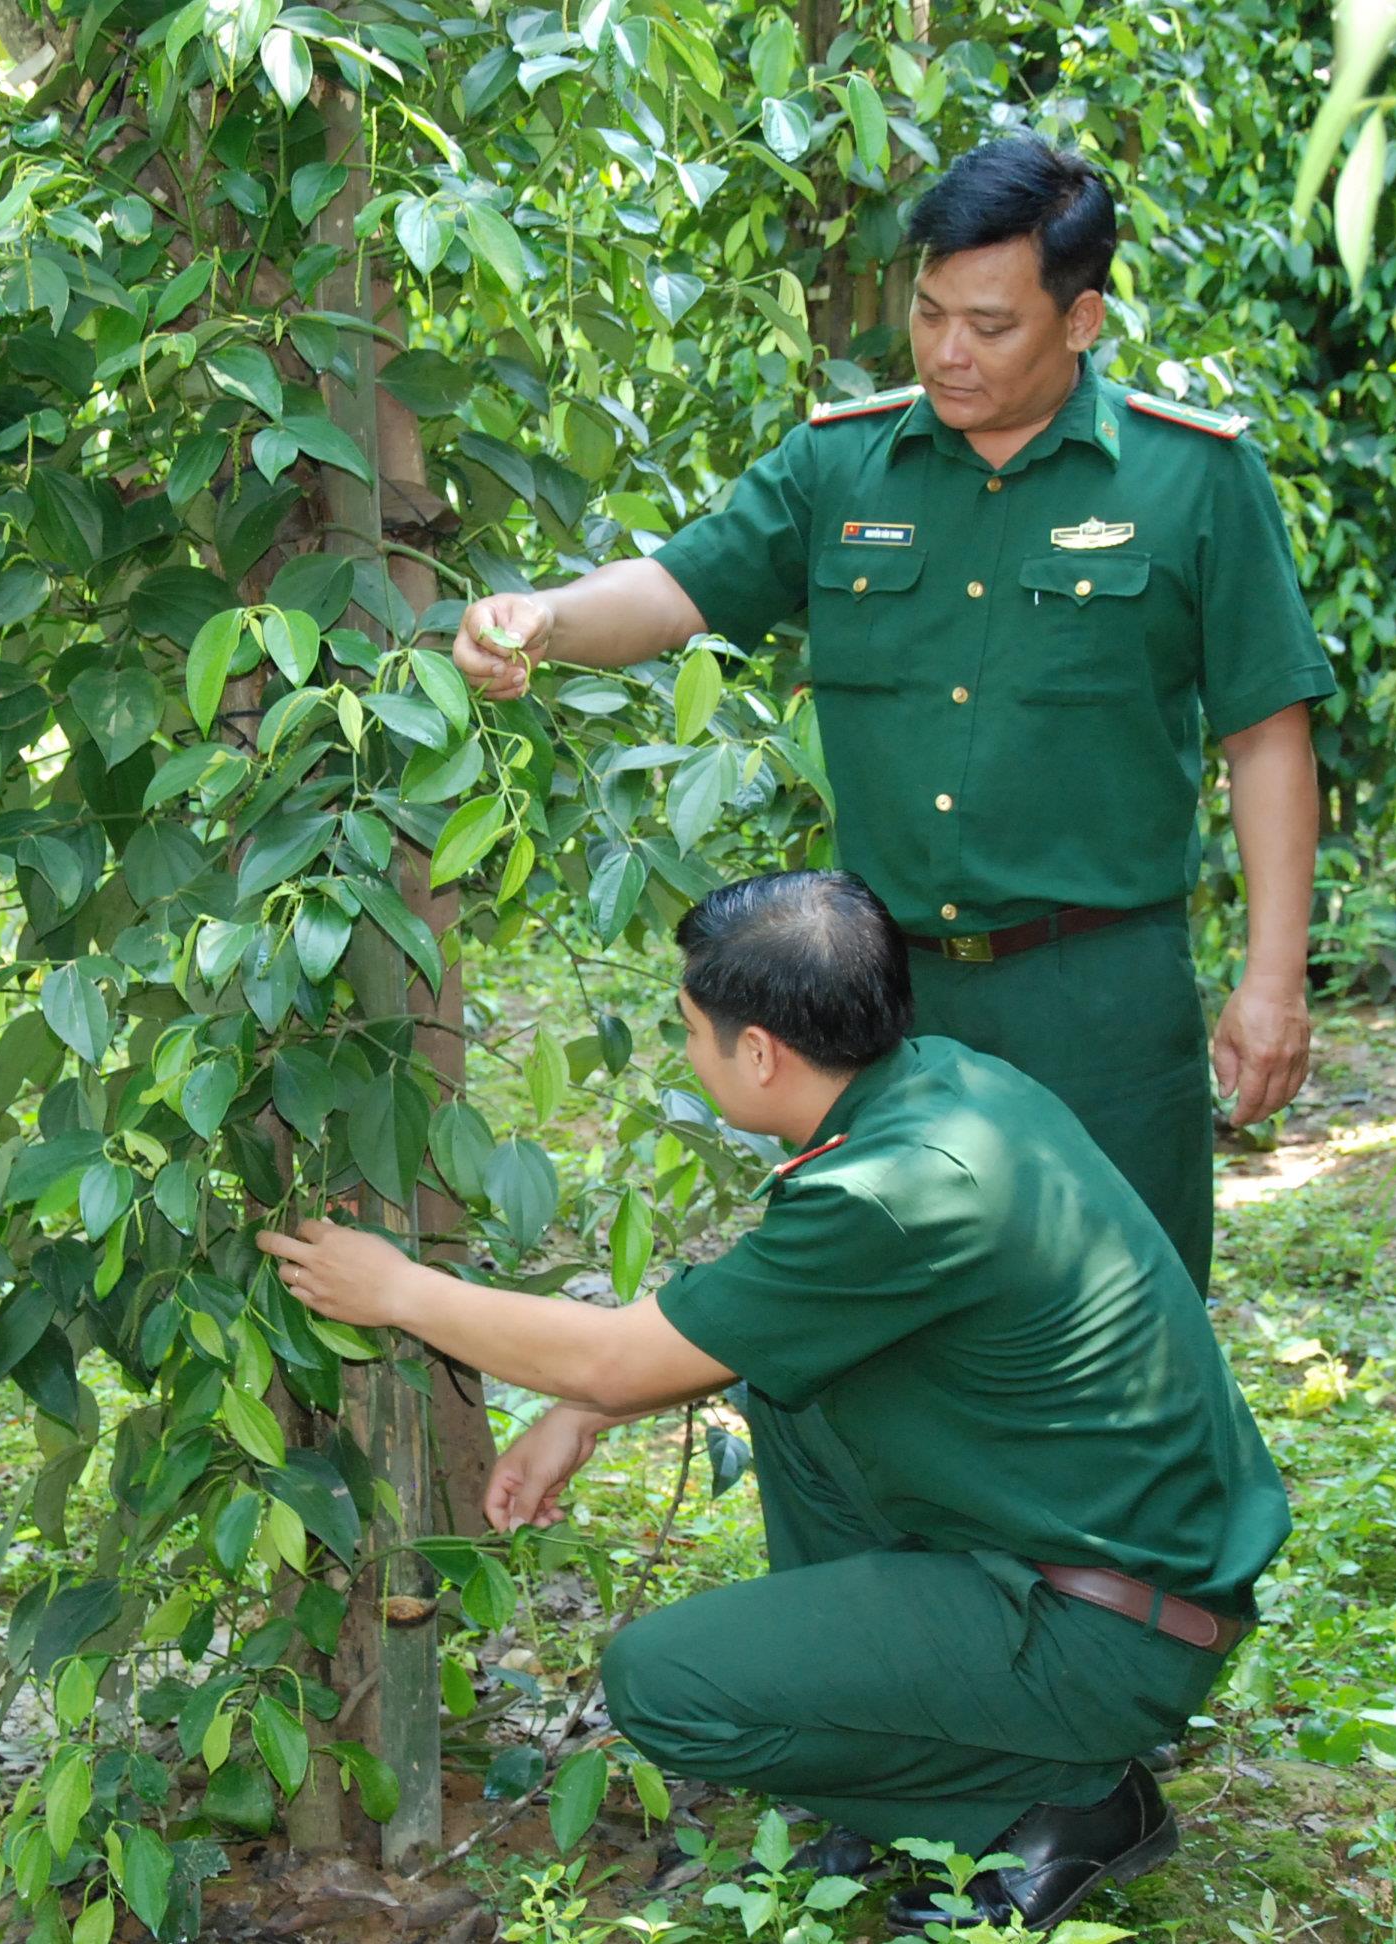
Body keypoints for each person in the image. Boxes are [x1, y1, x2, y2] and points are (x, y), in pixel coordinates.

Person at [256, 871, 1288, 1932]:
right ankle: (932, 1736)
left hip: (1102, 1630)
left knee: (665, 1685)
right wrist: (587, 1414)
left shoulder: (894, 1192)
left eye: (692, 1032)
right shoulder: (946, 1086)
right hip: (1114, 1563)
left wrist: (401, 1292)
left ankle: (1055, 1806)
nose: (686, 1055)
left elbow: (616, 1357)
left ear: (759, 1053)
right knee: (789, 1392)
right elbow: (732, 1331)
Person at [448, 135, 1334, 1293]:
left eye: (989, 323)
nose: (947, 353)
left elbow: (1267, 733)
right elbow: (678, 587)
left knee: (1122, 1321)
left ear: (1081, 322)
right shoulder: (842, 467)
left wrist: (1273, 981)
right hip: (882, 1001)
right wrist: (547, 620)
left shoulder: (1193, 480)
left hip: (1098, 992)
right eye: (927, 315)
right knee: (888, 1325)